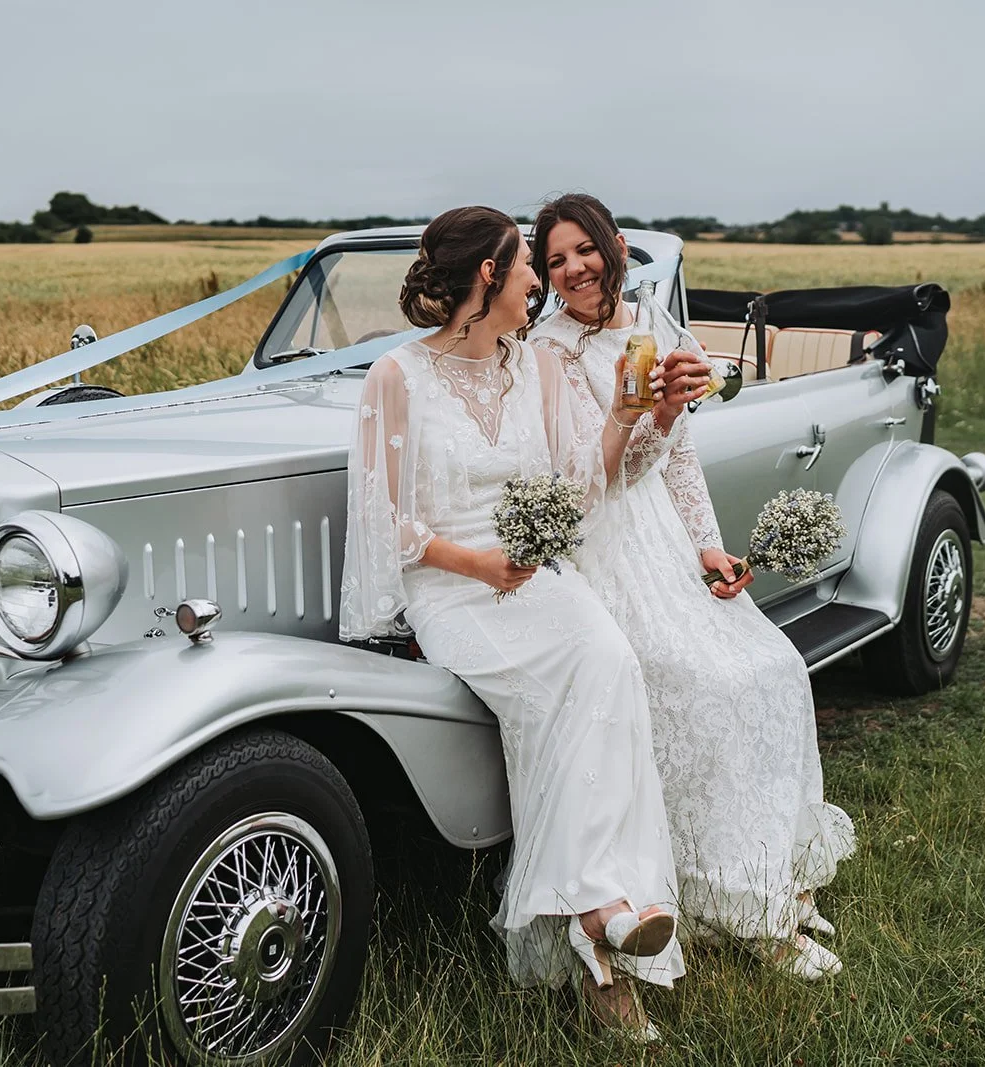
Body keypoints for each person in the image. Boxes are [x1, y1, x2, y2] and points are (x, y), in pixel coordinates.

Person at [339, 205, 694, 1036]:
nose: (543, 279)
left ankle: (596, 911)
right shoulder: (397, 376)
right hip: (453, 591)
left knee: (610, 658)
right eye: (529, 266)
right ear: (489, 278)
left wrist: (620, 415)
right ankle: (603, 927)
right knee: (546, 692)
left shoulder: (532, 365)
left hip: (536, 575)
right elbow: (383, 523)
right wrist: (478, 565)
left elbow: (573, 492)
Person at [528, 193, 856, 980]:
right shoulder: (546, 352)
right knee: (701, 686)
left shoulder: (656, 328)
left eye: (583, 250)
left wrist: (708, 546)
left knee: (773, 667)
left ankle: (781, 883)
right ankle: (741, 910)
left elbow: (676, 462)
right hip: (597, 549)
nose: (572, 269)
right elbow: (583, 483)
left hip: (663, 540)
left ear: (611, 248)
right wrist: (642, 414)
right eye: (554, 260)